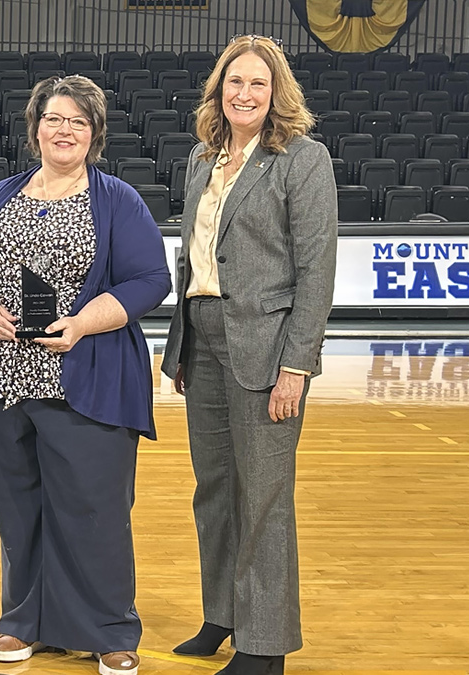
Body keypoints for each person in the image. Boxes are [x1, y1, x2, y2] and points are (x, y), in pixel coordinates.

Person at [0, 75, 170, 675]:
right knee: (19, 509)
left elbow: (151, 280)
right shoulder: (2, 196)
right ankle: (25, 622)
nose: (63, 130)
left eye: (76, 121)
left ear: (94, 133)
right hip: (5, 378)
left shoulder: (117, 199)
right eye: (53, 119)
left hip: (87, 374)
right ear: (35, 129)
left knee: (94, 509)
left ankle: (109, 629)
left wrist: (81, 323)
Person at [161, 35, 336, 675]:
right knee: (214, 489)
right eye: (234, 82)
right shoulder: (200, 160)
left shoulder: (301, 160)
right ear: (218, 90)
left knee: (263, 493)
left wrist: (297, 366)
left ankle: (264, 644)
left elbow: (316, 270)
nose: (244, 93)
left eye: (258, 84)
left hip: (267, 348)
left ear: (276, 94)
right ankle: (223, 615)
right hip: (203, 337)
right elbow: (194, 260)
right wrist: (181, 346)